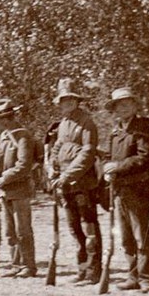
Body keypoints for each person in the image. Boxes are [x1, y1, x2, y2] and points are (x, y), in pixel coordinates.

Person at [49, 78, 102, 285]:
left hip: (82, 182)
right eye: (63, 101)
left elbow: (88, 153)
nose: (67, 104)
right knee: (74, 227)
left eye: (70, 100)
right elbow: (57, 147)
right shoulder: (63, 124)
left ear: (77, 101)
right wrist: (52, 167)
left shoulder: (87, 122)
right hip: (65, 182)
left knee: (89, 226)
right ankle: (82, 267)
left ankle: (94, 270)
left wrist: (68, 174)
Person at [103, 87, 149, 292]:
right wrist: (107, 169)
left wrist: (118, 167)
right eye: (118, 105)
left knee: (140, 233)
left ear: (134, 105)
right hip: (119, 188)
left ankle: (146, 276)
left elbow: (144, 158)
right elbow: (109, 156)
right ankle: (132, 275)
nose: (122, 108)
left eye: (126, 103)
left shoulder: (142, 127)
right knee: (125, 236)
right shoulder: (115, 131)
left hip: (137, 187)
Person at [0, 98, 37, 278]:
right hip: (4, 191)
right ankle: (16, 263)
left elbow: (24, 164)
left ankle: (28, 265)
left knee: (22, 229)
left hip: (19, 189)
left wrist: (4, 178)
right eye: (0, 119)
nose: (2, 122)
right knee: (9, 231)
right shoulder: (3, 137)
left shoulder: (22, 135)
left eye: (5, 118)